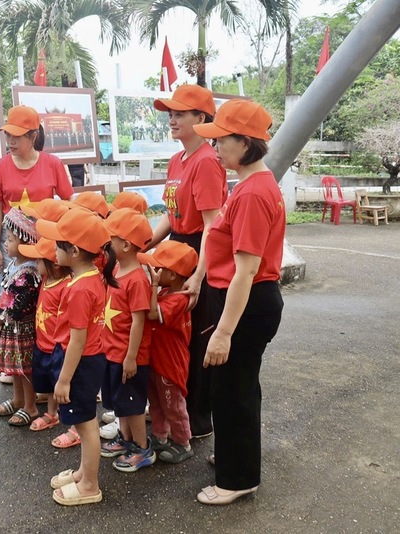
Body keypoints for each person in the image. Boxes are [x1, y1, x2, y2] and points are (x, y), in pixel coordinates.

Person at [192, 100, 285, 505]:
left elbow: (246, 270)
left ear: (245, 144)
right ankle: (235, 455)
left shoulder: (252, 194)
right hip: (236, 298)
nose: (214, 148)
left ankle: (238, 479)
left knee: (234, 389)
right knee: (234, 387)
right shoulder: (250, 184)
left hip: (244, 302)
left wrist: (224, 332)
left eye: (221, 140)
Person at [150, 84, 228, 439]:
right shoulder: (177, 160)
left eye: (180, 113)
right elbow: (172, 213)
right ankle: (168, 408)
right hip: (178, 248)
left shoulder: (208, 162)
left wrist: (198, 276)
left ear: (201, 118)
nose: (172, 119)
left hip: (200, 251)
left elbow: (213, 224)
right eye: (170, 113)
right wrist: (145, 244)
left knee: (194, 339)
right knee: (169, 337)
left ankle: (196, 419)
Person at [0, 105, 73, 384]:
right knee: (11, 298)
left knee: (43, 299)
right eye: (8, 135)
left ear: (33, 136)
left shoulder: (53, 164)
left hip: (44, 245)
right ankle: (11, 363)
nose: (10, 141)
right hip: (12, 246)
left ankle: (42, 361)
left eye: (17, 136)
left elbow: (69, 203)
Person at [36, 208, 117, 506]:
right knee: (86, 422)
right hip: (83, 359)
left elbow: (78, 338)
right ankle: (84, 472)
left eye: (58, 244)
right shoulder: (88, 277)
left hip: (79, 363)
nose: (52, 250)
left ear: (73, 250)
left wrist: (64, 380)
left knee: (85, 425)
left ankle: (90, 485)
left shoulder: (81, 288)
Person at [99, 208, 157, 474]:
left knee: (132, 405)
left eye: (111, 239)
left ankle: (142, 449)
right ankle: (126, 440)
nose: (107, 245)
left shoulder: (136, 280)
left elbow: (139, 321)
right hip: (113, 354)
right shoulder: (118, 271)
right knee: (121, 403)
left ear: (126, 244)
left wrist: (132, 356)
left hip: (128, 357)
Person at [139, 241, 199, 464]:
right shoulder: (167, 292)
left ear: (173, 275)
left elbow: (153, 314)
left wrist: (152, 286)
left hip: (170, 365)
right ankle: (160, 436)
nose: (153, 272)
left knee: (173, 405)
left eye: (158, 268)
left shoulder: (178, 300)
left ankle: (183, 442)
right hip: (157, 361)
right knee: (155, 402)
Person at [0, 209, 42, 426]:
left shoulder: (29, 272)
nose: (6, 244)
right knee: (15, 366)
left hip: (23, 327)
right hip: (13, 326)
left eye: (10, 239)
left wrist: (3, 318)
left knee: (25, 368)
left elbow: (20, 304)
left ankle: (31, 406)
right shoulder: (14, 265)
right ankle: (18, 399)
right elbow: (7, 293)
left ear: (26, 241)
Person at [16, 237, 70, 432]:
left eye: (39, 260)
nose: (35, 264)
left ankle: (70, 421)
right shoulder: (45, 280)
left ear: (53, 263)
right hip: (41, 344)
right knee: (46, 383)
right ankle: (51, 414)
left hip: (57, 346)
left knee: (60, 383)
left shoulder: (66, 286)